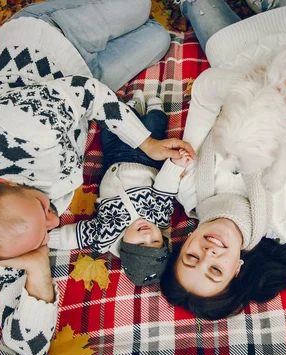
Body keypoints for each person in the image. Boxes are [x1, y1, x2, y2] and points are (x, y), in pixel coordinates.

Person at [0, 0, 195, 355]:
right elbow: (28, 346)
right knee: (158, 37)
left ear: (5, 182)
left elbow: (86, 92)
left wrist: (150, 144)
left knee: (140, 6)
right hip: (79, 91)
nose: (55, 220)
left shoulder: (19, 128)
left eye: (42, 206)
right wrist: (36, 268)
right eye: (43, 233)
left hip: (49, 41)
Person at [160, 0, 286, 320]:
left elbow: (206, 94)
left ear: (185, 242)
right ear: (237, 268)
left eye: (192, 258)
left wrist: (255, 89)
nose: (208, 253)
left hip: (234, 51)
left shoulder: (189, 189)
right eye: (215, 270)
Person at [49, 92, 193, 286]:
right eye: (156, 242)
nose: (148, 235)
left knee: (110, 130)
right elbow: (164, 187)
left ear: (124, 249)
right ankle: (154, 106)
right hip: (147, 159)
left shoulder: (105, 235)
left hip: (114, 158)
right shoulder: (158, 217)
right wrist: (176, 165)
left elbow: (74, 237)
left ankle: (132, 106)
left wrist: (45, 239)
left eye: (141, 244)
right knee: (154, 124)